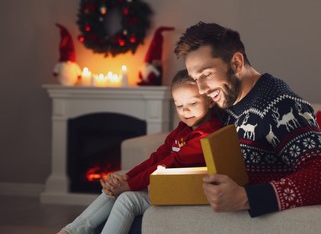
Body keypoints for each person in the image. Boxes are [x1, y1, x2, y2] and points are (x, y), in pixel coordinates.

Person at [174, 22, 321, 217]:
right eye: (196, 78)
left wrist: (246, 197)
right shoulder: (225, 104)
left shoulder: (280, 104)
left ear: (236, 63)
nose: (202, 89)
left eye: (207, 74)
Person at [58, 69, 222, 234]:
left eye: (193, 103)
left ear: (210, 101)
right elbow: (157, 158)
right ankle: (70, 231)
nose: (185, 111)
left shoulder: (207, 134)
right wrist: (126, 178)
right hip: (166, 185)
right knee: (113, 190)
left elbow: (172, 162)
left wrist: (128, 185)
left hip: (184, 191)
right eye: (179, 106)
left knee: (127, 199)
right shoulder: (183, 129)